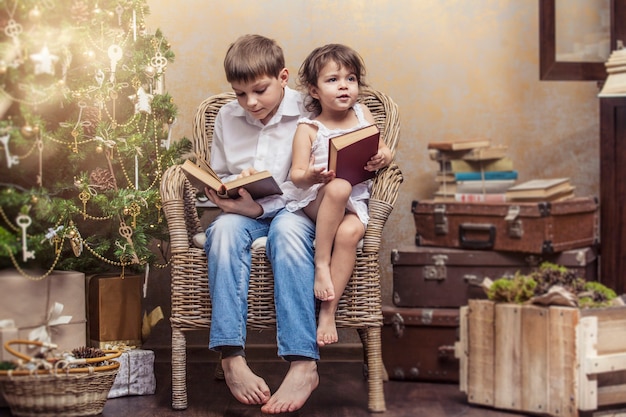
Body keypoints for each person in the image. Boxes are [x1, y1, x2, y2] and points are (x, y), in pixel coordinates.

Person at [203, 34, 319, 414]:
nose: (250, 103)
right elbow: (219, 174)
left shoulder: (310, 108)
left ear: (283, 77)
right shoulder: (226, 116)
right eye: (239, 94)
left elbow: (323, 167)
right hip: (244, 213)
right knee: (219, 231)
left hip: (294, 212)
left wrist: (261, 208)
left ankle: (303, 363)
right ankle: (231, 357)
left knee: (286, 233)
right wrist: (225, 194)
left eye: (259, 90)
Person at [282, 44, 392, 347]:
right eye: (332, 80)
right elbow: (296, 175)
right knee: (339, 186)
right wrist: (313, 176)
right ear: (314, 91)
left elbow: (381, 148)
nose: (344, 85)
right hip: (318, 199)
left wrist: (384, 157)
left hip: (353, 203)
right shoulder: (308, 129)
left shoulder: (361, 113)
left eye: (351, 78)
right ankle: (321, 265)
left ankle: (328, 312)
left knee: (352, 231)